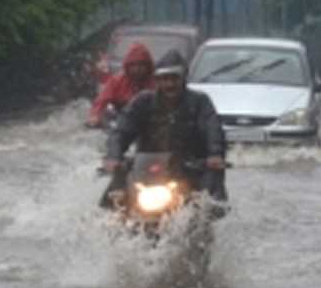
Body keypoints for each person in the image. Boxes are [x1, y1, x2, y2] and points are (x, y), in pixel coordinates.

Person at [100, 49, 228, 208]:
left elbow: (212, 128)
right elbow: (122, 130)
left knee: (207, 203)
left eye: (174, 78)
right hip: (148, 167)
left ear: (183, 79)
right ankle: (111, 229)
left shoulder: (199, 101)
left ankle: (202, 221)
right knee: (115, 201)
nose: (169, 84)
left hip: (191, 165)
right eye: (164, 79)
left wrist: (215, 154)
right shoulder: (142, 101)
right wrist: (114, 156)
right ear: (156, 81)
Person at [85, 42, 155, 128]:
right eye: (133, 65)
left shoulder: (157, 81)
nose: (137, 69)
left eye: (141, 65)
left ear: (148, 66)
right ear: (127, 66)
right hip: (122, 123)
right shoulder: (116, 81)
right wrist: (94, 115)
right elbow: (101, 101)